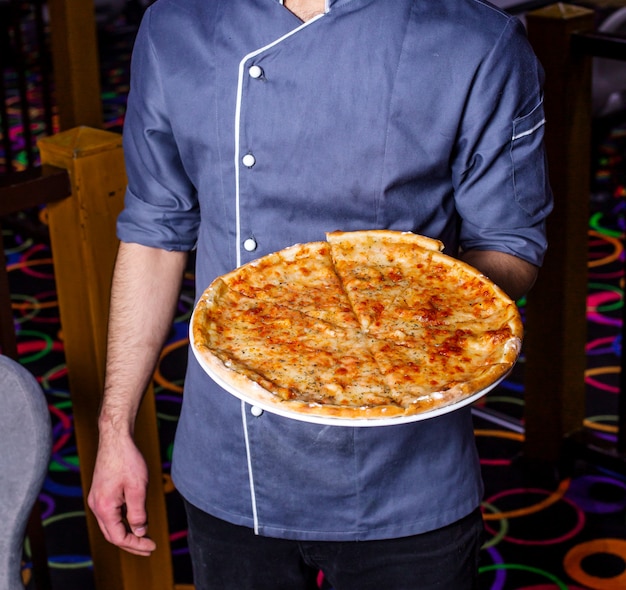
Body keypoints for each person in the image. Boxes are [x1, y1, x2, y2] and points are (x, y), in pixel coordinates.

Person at [87, 0, 553, 588]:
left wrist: (415, 324)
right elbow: (155, 233)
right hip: (232, 459)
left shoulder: (475, 39)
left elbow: (507, 243)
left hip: (406, 471)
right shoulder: (176, 24)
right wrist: (115, 428)